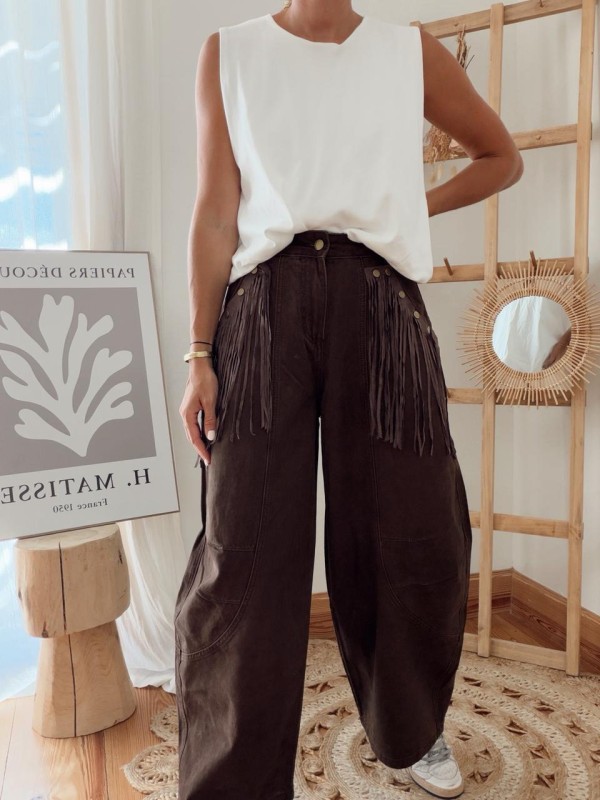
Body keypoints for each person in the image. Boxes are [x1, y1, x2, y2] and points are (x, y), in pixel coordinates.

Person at [176, 2, 524, 798]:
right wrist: (197, 352)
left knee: (413, 532)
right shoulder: (228, 52)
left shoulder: (410, 52)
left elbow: (501, 158)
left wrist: (408, 204)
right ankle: (232, 777)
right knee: (243, 545)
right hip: (262, 308)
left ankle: (413, 728)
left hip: (380, 303)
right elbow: (216, 211)